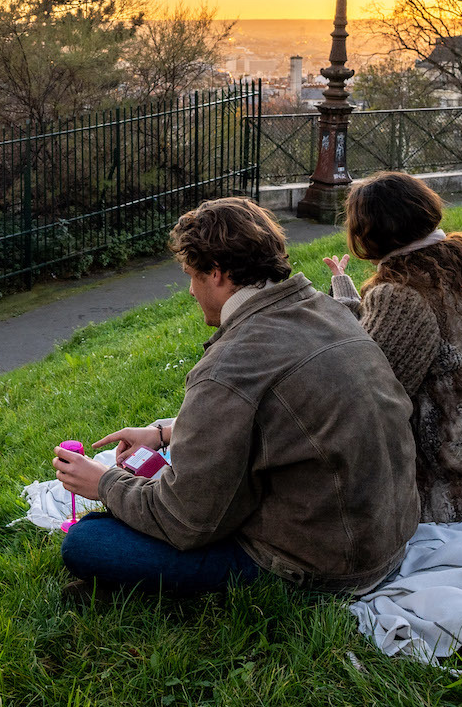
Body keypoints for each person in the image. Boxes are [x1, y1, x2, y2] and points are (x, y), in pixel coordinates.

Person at [50, 196, 419, 597]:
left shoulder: (229, 366)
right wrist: (164, 433)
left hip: (322, 566)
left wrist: (104, 483)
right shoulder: (328, 311)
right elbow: (284, 416)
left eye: (192, 275)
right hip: (386, 539)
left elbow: (185, 521)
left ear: (219, 273)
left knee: (88, 542)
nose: (190, 290)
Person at [324, 171, 462, 523]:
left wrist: (342, 307)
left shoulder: (403, 294)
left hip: (454, 477)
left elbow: (371, 391)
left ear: (367, 234)